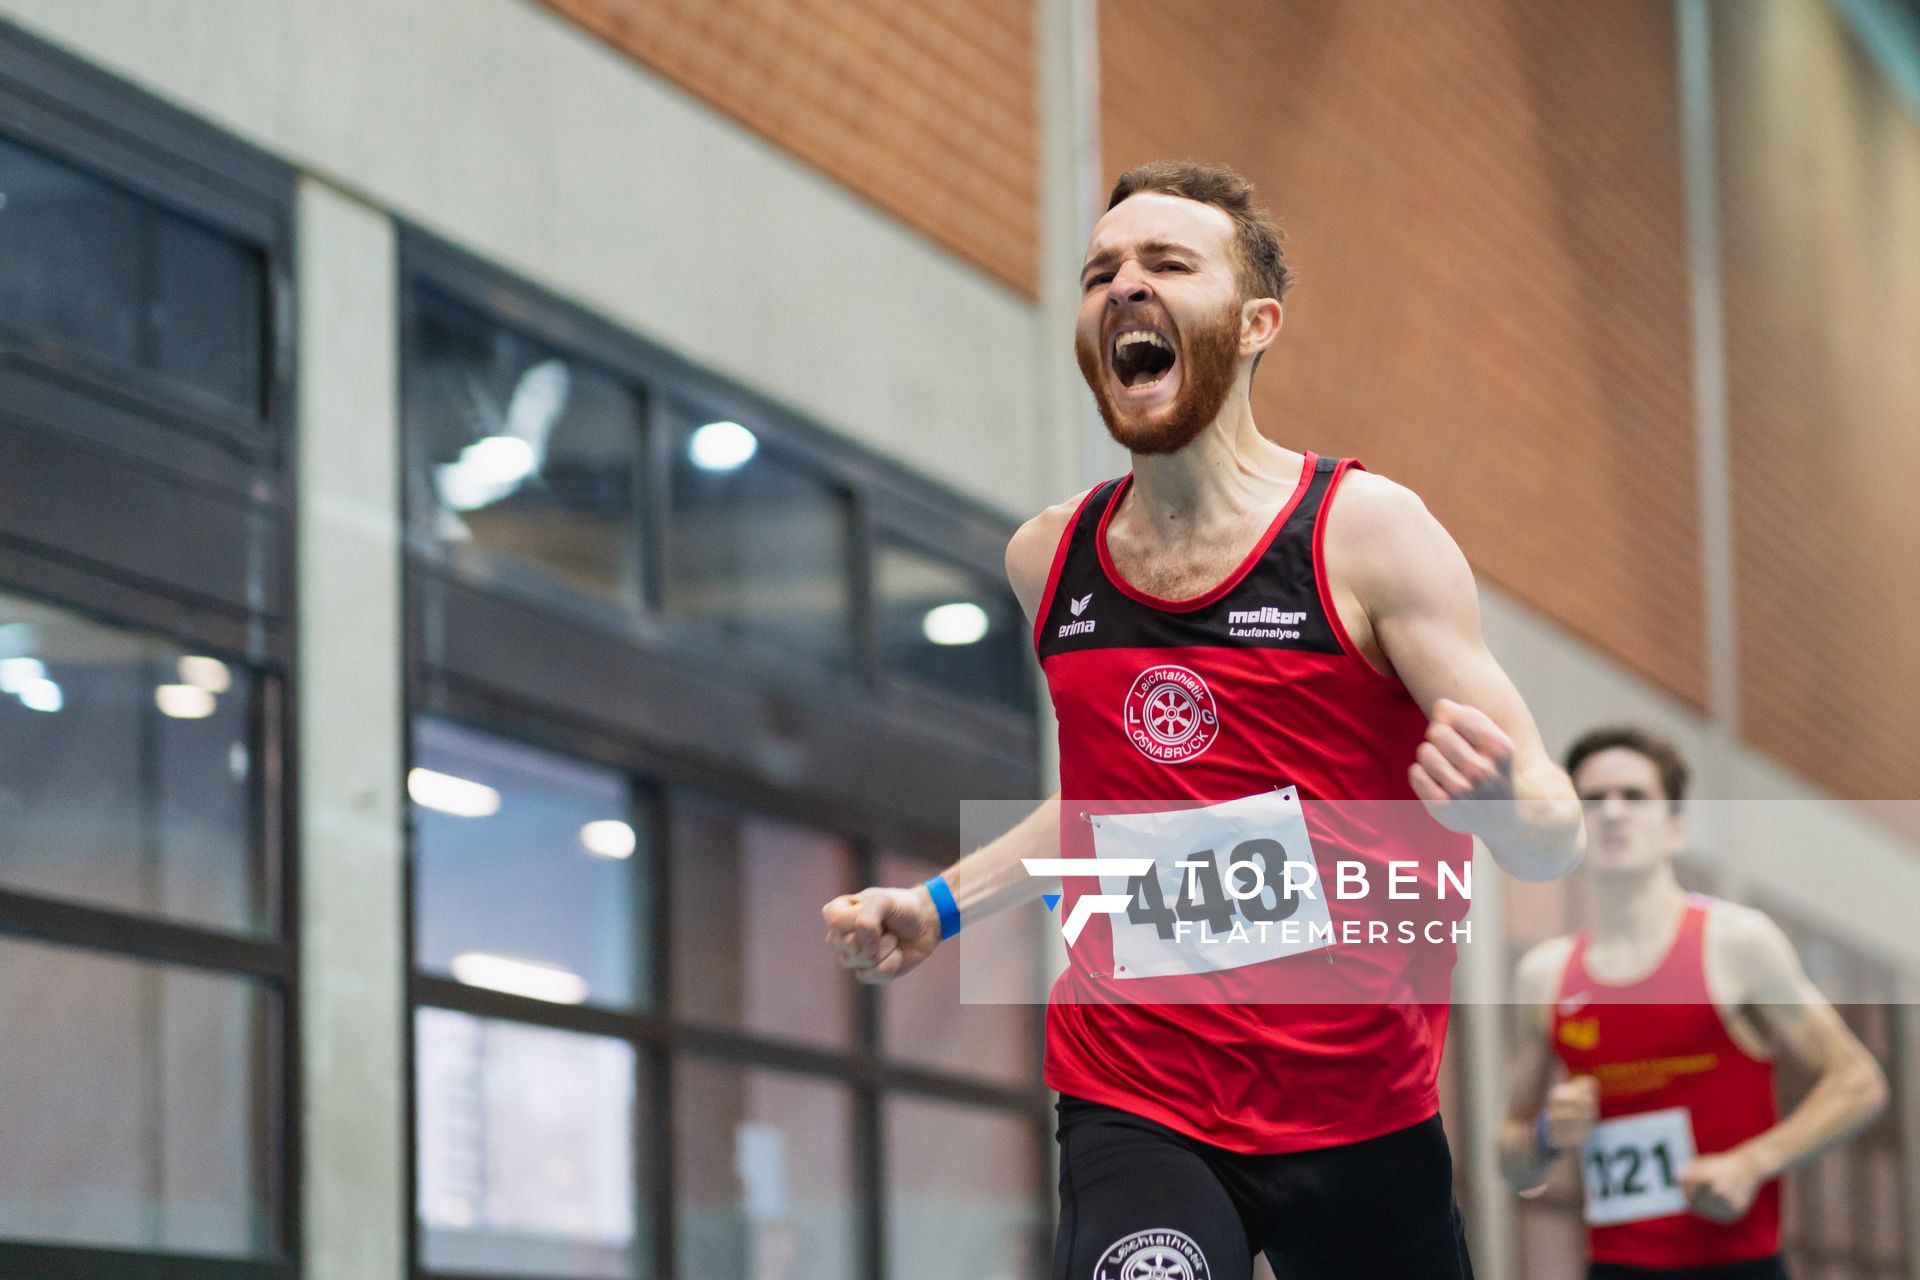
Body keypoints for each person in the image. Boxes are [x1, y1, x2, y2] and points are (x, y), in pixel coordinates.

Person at [824, 159, 1583, 1280]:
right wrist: (941, 902)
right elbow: (1108, 809)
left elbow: (1551, 821)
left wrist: (1497, 806)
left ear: (1257, 321)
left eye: (1169, 264)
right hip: (1136, 1089)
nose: (1126, 285)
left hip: (1360, 1106)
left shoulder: (1364, 533)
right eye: (1101, 272)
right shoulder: (1052, 559)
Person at [1500, 726, 1889, 1279]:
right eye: (1591, 801)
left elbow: (1859, 1084)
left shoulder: (1736, 945)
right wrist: (1543, 1134)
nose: (1611, 814)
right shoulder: (1544, 976)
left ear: (1677, 828)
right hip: (1615, 1269)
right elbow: (1513, 1162)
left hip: (1738, 1264)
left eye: (1634, 797)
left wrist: (1753, 1163)